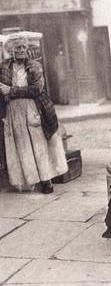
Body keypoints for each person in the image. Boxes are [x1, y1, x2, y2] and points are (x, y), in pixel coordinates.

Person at [0, 33, 67, 193]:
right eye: (18, 47)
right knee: (22, 147)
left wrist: (11, 90)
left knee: (40, 145)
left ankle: (46, 181)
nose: (22, 50)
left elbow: (37, 89)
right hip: (13, 111)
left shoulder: (34, 66)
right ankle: (30, 180)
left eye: (24, 47)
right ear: (11, 50)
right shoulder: (4, 67)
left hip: (33, 108)